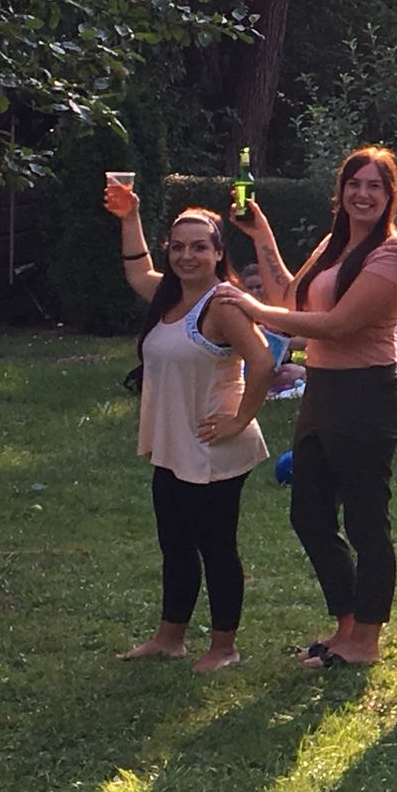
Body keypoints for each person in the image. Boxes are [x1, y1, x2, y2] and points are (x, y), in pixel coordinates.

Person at [217, 147, 397, 668]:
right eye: (354, 183)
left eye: (375, 186)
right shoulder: (333, 245)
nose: (363, 194)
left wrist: (254, 308)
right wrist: (261, 236)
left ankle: (366, 641)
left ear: (390, 195)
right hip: (324, 392)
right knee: (308, 514)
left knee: (366, 521)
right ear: (341, 190)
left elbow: (338, 325)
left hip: (366, 396)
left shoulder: (392, 255)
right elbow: (290, 300)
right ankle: (346, 624)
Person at [104, 188, 272, 673]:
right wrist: (130, 215)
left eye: (199, 247)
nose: (186, 256)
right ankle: (170, 637)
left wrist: (239, 418)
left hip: (213, 448)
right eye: (177, 247)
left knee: (216, 548)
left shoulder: (223, 304)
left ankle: (224, 647)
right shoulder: (170, 297)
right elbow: (137, 271)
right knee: (175, 545)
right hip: (175, 446)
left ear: (218, 253)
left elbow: (263, 361)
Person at [239, 262, 306, 396]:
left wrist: (278, 342)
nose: (255, 291)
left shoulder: (279, 310)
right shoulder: (240, 313)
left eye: (259, 286)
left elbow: (304, 342)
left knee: (296, 372)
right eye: (250, 288)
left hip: (279, 368)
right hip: (249, 370)